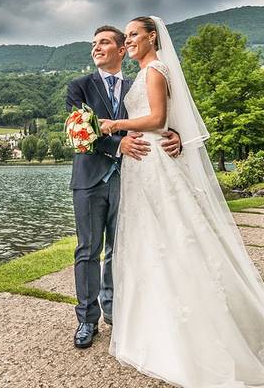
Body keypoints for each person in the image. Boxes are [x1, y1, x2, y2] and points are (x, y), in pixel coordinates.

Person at [100, 16, 264, 388]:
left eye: (135, 33)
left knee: (176, 238)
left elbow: (156, 118)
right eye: (128, 35)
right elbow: (164, 121)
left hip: (155, 165)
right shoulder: (146, 72)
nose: (130, 39)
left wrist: (113, 125)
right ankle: (157, 326)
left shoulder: (155, 69)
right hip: (145, 166)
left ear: (152, 37)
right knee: (156, 242)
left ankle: (195, 333)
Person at [65, 25, 182, 349]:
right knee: (88, 250)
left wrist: (175, 136)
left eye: (104, 42)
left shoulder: (137, 86)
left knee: (120, 249)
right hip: (89, 180)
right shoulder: (79, 87)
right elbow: (79, 133)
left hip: (131, 179)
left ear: (120, 50)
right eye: (93, 44)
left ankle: (115, 311)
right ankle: (87, 321)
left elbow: (157, 119)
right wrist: (118, 146)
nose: (96, 48)